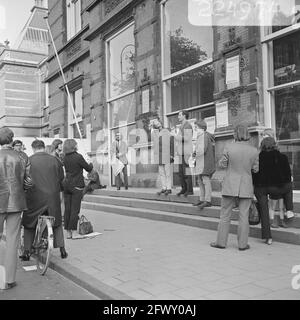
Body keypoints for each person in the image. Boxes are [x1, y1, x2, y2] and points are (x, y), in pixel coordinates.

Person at [210, 124, 259, 251]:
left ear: (235, 134)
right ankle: (242, 244)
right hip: (246, 185)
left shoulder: (229, 147)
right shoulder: (254, 150)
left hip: (230, 184)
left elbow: (222, 164)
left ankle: (221, 242)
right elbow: (256, 169)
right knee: (244, 216)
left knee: (225, 215)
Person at [20, 140, 68, 260]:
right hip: (52, 197)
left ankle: (26, 251)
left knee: (29, 223)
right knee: (56, 222)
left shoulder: (28, 160)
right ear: (43, 147)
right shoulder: (55, 160)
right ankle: (62, 249)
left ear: (33, 148)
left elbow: (24, 179)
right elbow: (61, 179)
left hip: (34, 197)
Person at [0, 128, 31, 289]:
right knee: (12, 241)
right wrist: (21, 188)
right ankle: (8, 280)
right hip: (16, 202)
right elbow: (29, 181)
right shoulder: (22, 156)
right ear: (11, 139)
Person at [253, 137, 294, 245]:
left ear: (262, 145)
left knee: (263, 211)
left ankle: (268, 237)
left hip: (261, 188)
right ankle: (289, 209)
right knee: (289, 186)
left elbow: (254, 175)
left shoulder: (257, 158)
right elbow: (288, 176)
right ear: (275, 145)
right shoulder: (282, 157)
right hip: (278, 188)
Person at [62, 139, 93, 239]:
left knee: (67, 209)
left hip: (67, 185)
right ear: (73, 146)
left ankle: (68, 232)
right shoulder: (78, 157)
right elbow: (88, 168)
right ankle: (74, 233)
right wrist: (90, 163)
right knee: (75, 210)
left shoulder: (64, 157)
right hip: (76, 185)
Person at [260, 128, 287, 228]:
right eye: (262, 135)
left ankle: (282, 220)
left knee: (281, 204)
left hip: (278, 182)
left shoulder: (276, 150)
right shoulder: (262, 150)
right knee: (272, 204)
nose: (263, 137)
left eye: (265, 135)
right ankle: (271, 221)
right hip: (270, 182)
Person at [192, 120, 216, 209]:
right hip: (201, 162)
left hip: (205, 162)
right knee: (200, 182)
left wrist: (195, 153)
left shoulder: (204, 136)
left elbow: (202, 150)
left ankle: (208, 200)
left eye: (196, 127)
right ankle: (202, 199)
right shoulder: (201, 136)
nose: (195, 129)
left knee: (205, 181)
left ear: (201, 128)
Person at [173, 110, 193, 197]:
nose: (178, 117)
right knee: (181, 172)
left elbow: (187, 138)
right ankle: (184, 189)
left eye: (179, 115)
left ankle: (189, 190)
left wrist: (176, 136)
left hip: (186, 152)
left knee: (187, 172)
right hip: (181, 152)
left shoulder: (188, 125)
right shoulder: (181, 126)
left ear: (184, 116)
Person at [152, 119, 175, 196]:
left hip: (167, 154)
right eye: (155, 123)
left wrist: (172, 154)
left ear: (160, 123)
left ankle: (169, 188)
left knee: (167, 173)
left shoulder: (166, 131)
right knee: (161, 173)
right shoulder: (155, 132)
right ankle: (164, 188)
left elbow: (172, 142)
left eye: (157, 122)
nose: (157, 124)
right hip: (159, 156)